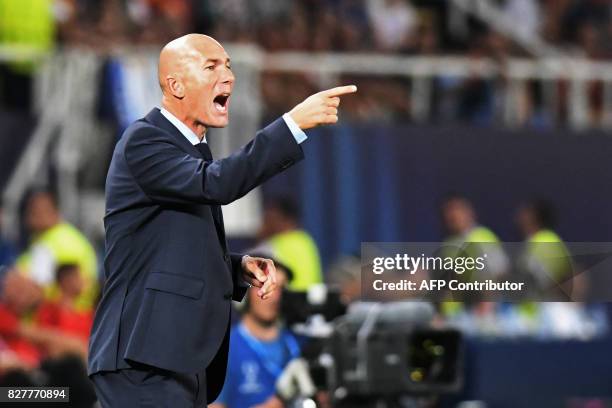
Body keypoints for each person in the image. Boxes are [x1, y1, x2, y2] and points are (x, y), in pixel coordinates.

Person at [87, 33, 357, 407]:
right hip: (142, 357)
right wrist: (292, 124)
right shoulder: (144, 140)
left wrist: (236, 268)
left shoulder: (191, 149)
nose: (228, 76)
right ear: (175, 84)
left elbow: (170, 253)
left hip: (178, 359)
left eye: (229, 66)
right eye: (211, 66)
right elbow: (216, 184)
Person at [210, 258, 298, 408]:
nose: (275, 297)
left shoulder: (296, 343)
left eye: (280, 288)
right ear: (244, 294)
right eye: (265, 285)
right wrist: (277, 403)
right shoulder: (227, 347)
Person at [15, 189, 98, 312]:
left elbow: (36, 291)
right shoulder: (46, 238)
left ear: (53, 210)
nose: (30, 215)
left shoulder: (55, 243)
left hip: (62, 321)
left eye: (35, 210)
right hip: (64, 319)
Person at [258, 196, 322, 292]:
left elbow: (250, 267)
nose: (265, 222)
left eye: (269, 217)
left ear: (280, 218)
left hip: (287, 302)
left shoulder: (271, 245)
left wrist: (261, 236)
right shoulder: (306, 240)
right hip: (311, 302)